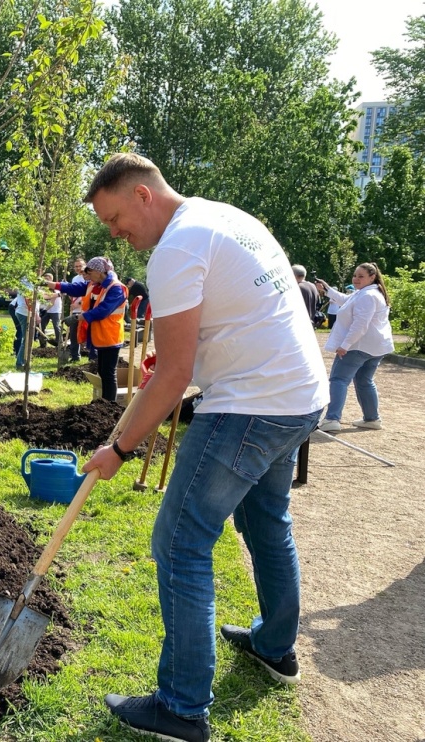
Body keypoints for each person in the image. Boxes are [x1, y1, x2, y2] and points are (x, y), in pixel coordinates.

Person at [79, 153, 328, 742]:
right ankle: (275, 648)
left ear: (142, 195)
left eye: (115, 219)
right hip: (300, 397)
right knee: (267, 520)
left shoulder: (176, 249)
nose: (115, 235)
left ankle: (182, 707)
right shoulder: (223, 218)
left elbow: (173, 378)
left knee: (181, 540)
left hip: (251, 405)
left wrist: (118, 448)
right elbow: (210, 335)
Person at [314, 265, 394, 432]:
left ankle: (332, 418)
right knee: (364, 380)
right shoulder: (368, 293)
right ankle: (372, 418)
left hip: (359, 346)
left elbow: (360, 325)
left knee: (338, 380)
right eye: (355, 275)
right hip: (374, 347)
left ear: (372, 277)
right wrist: (328, 289)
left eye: (361, 276)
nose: (356, 279)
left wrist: (344, 345)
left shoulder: (367, 295)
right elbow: (346, 300)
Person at [47, 256, 127, 400]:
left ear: (99, 271)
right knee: (102, 371)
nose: (87, 276)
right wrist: (50, 284)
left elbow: (103, 310)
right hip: (99, 335)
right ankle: (105, 401)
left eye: (89, 272)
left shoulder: (116, 288)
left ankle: (110, 405)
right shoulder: (94, 284)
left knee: (109, 372)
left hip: (110, 336)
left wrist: (78, 318)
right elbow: (74, 288)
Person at [65, 257, 88, 361]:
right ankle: (75, 357)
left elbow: (88, 294)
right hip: (75, 311)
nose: (78, 268)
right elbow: (73, 292)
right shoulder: (74, 279)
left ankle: (93, 357)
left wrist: (78, 303)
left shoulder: (88, 277)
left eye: (80, 266)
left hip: (86, 310)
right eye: (76, 266)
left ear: (85, 265)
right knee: (74, 334)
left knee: (89, 333)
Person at [37, 273, 62, 349]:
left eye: (48, 278)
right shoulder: (41, 289)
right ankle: (43, 344)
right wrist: (41, 310)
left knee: (56, 326)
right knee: (41, 326)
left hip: (55, 310)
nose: (46, 279)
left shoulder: (56, 289)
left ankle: (59, 342)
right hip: (46, 310)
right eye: (45, 278)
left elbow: (52, 302)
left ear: (51, 279)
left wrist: (44, 310)